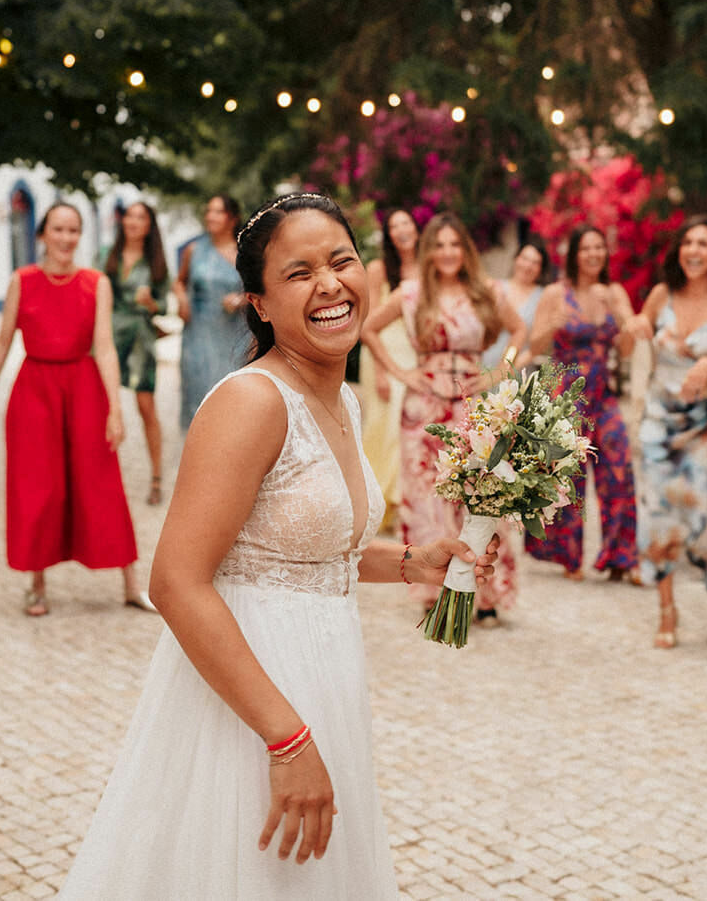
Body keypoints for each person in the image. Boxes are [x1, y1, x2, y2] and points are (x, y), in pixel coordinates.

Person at [57, 193, 499, 899]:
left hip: (326, 680)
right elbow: (174, 580)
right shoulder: (252, 401)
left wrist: (416, 560)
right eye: (299, 272)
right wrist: (285, 737)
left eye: (340, 261)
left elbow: (311, 551)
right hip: (253, 701)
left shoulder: (344, 400)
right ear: (259, 303)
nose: (328, 283)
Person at [0, 201, 152, 617]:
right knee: (37, 486)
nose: (66, 238)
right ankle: (36, 584)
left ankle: (130, 582)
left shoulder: (97, 282)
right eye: (58, 230)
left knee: (101, 479)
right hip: (34, 390)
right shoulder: (23, 280)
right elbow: (3, 341)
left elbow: (105, 347)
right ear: (43, 234)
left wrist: (115, 408)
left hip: (84, 386)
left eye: (73, 231)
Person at [361, 212, 526, 624]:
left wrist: (499, 370)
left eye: (455, 244)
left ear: (464, 249)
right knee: (428, 499)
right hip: (424, 408)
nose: (448, 252)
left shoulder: (485, 290)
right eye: (440, 244)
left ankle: (484, 593)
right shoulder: (412, 293)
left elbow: (519, 330)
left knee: (482, 495)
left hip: (474, 407)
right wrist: (401, 373)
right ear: (429, 251)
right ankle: (435, 587)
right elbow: (368, 329)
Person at [624, 215, 707, 650]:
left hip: (703, 428)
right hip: (658, 425)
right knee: (659, 518)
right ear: (678, 251)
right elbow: (631, 346)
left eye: (704, 243)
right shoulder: (661, 295)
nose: (694, 251)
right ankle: (667, 609)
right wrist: (635, 328)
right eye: (687, 243)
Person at [518, 226, 639, 582]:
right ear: (574, 254)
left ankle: (621, 556)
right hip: (567, 395)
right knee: (567, 475)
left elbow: (627, 348)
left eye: (599, 247)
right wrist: (552, 325)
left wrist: (620, 313)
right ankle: (568, 556)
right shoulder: (556, 293)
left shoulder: (613, 293)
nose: (593, 254)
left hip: (604, 393)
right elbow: (536, 346)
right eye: (586, 248)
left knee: (619, 467)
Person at [355, 208, 420, 530]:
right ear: (388, 235)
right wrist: (381, 371)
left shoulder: (428, 268)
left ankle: (402, 504)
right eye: (394, 226)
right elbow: (367, 322)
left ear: (417, 228)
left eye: (405, 222)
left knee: (409, 428)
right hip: (381, 352)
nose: (401, 230)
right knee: (384, 429)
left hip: (414, 356)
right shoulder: (378, 269)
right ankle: (377, 504)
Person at [104, 201, 170, 504]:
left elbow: (165, 306)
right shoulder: (106, 255)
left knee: (146, 407)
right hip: (107, 337)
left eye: (140, 217)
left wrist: (150, 303)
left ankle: (156, 478)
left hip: (141, 339)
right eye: (129, 215)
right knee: (100, 406)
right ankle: (98, 479)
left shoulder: (155, 261)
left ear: (148, 224)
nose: (133, 221)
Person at [176, 194, 250, 431]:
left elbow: (263, 291)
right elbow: (179, 281)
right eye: (209, 211)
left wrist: (240, 299)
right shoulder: (193, 249)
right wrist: (181, 300)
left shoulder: (246, 253)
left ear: (232, 218)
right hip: (198, 333)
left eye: (218, 212)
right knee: (199, 396)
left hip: (235, 334)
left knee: (235, 399)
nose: (211, 216)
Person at [483, 239, 548, 369]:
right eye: (525, 259)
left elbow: (539, 345)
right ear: (516, 259)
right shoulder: (495, 289)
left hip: (518, 369)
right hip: (485, 364)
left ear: (541, 268)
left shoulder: (544, 297)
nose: (528, 266)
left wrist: (507, 369)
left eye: (535, 263)